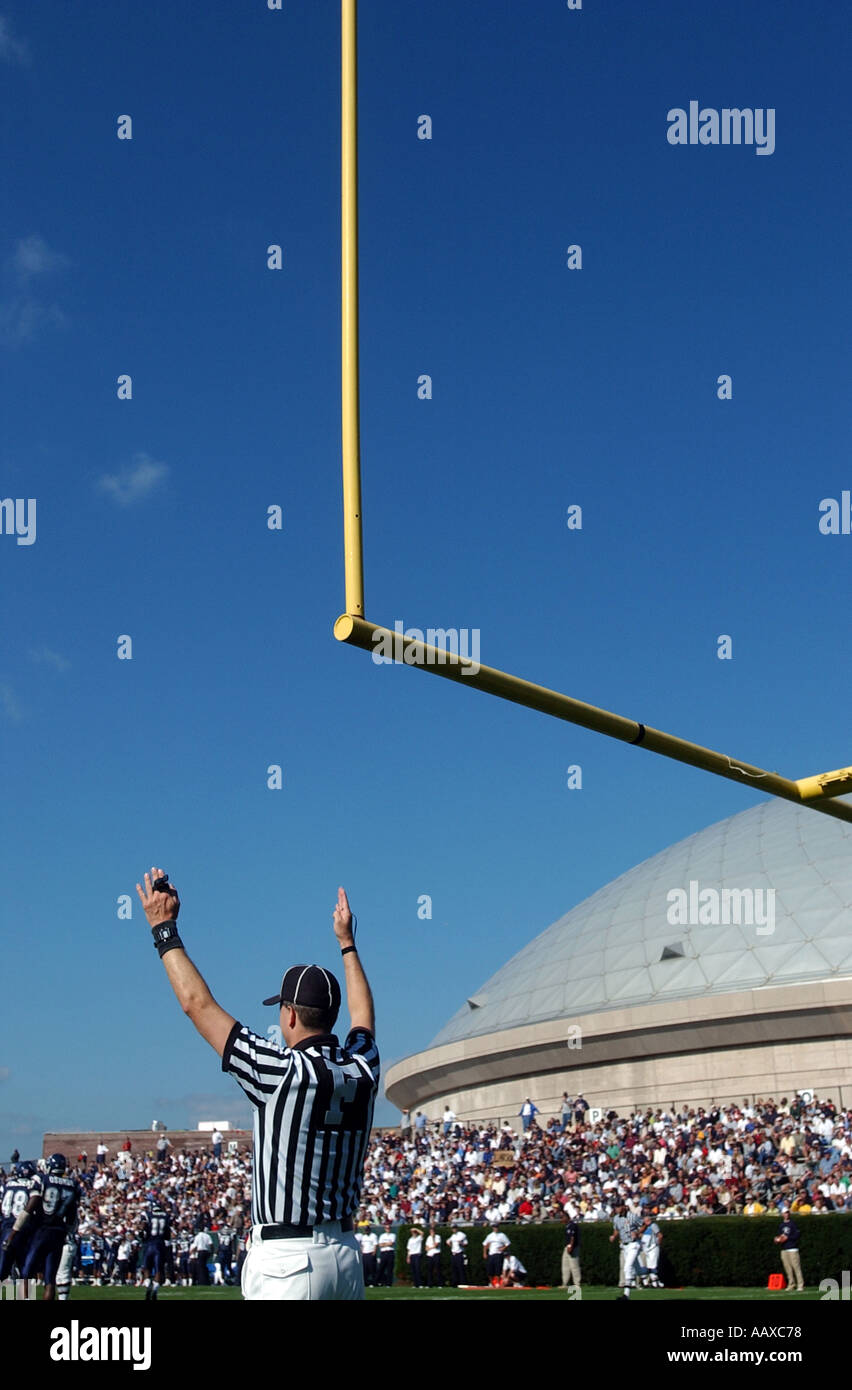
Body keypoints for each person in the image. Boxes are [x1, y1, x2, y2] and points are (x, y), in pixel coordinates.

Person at [135, 868, 379, 1302]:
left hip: (289, 1258)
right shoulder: (363, 1067)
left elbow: (198, 1006)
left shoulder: (280, 1071)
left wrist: (163, 930)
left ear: (288, 1015)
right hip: (345, 1255)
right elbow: (363, 1019)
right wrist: (348, 943)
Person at [19, 1154, 81, 1302]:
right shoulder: (72, 1184)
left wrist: (16, 1229)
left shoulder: (41, 1179)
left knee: (25, 1272)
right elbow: (72, 1215)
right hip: (59, 1232)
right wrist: (69, 1231)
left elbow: (31, 1204)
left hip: (39, 1230)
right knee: (50, 1278)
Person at [139, 1194, 172, 1301]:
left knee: (146, 1267)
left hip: (150, 1244)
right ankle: (155, 1289)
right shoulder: (166, 1216)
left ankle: (148, 1282)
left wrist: (142, 1233)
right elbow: (168, 1235)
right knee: (159, 1269)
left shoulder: (148, 1214)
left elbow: (143, 1227)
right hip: (160, 1245)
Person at [609, 1201, 642, 1300]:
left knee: (627, 1267)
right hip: (624, 1246)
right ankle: (651, 1272)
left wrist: (637, 1232)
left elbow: (643, 1225)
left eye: (618, 1206)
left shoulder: (632, 1216)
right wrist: (614, 1236)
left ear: (623, 1206)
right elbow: (616, 1229)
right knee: (637, 1270)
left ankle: (626, 1294)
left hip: (633, 1244)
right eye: (615, 1207)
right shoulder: (616, 1218)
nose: (617, 1209)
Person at [774, 1206, 805, 1291]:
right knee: (788, 1268)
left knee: (796, 1267)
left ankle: (800, 1284)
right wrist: (777, 1239)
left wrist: (788, 1238)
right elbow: (780, 1235)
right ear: (782, 1214)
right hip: (784, 1249)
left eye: (787, 1212)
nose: (786, 1214)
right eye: (785, 1213)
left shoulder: (793, 1224)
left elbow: (797, 1235)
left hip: (792, 1248)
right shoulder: (781, 1225)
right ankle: (791, 1284)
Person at [638, 1213, 664, 1288]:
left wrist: (657, 1244)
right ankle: (654, 1282)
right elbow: (639, 1233)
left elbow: (660, 1235)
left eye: (647, 1220)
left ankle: (656, 1283)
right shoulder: (644, 1227)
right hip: (647, 1248)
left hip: (653, 1247)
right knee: (649, 1265)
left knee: (653, 1265)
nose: (646, 1222)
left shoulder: (653, 1225)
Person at [562, 1212, 581, 1293]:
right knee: (565, 1266)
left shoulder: (572, 1225)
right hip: (567, 1247)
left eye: (563, 1217)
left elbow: (572, 1237)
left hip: (572, 1247)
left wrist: (570, 1246)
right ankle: (565, 1283)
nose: (562, 1219)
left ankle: (577, 1283)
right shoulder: (567, 1226)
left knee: (574, 1266)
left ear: (567, 1217)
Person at [377, 1221, 396, 1286]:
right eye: (386, 1228)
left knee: (389, 1269)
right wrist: (386, 1244)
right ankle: (379, 1282)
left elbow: (391, 1243)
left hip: (390, 1252)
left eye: (389, 1228)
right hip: (383, 1253)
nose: (388, 1229)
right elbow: (380, 1245)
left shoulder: (393, 1235)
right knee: (381, 1268)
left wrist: (384, 1244)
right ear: (385, 1229)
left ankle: (389, 1283)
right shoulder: (382, 1235)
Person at [425, 1222, 442, 1286]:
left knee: (437, 1269)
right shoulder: (428, 1238)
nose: (432, 1232)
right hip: (429, 1255)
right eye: (431, 1231)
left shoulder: (437, 1237)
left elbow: (436, 1245)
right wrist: (429, 1248)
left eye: (433, 1231)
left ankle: (440, 1284)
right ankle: (430, 1284)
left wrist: (433, 1238)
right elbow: (426, 1248)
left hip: (436, 1253)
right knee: (429, 1269)